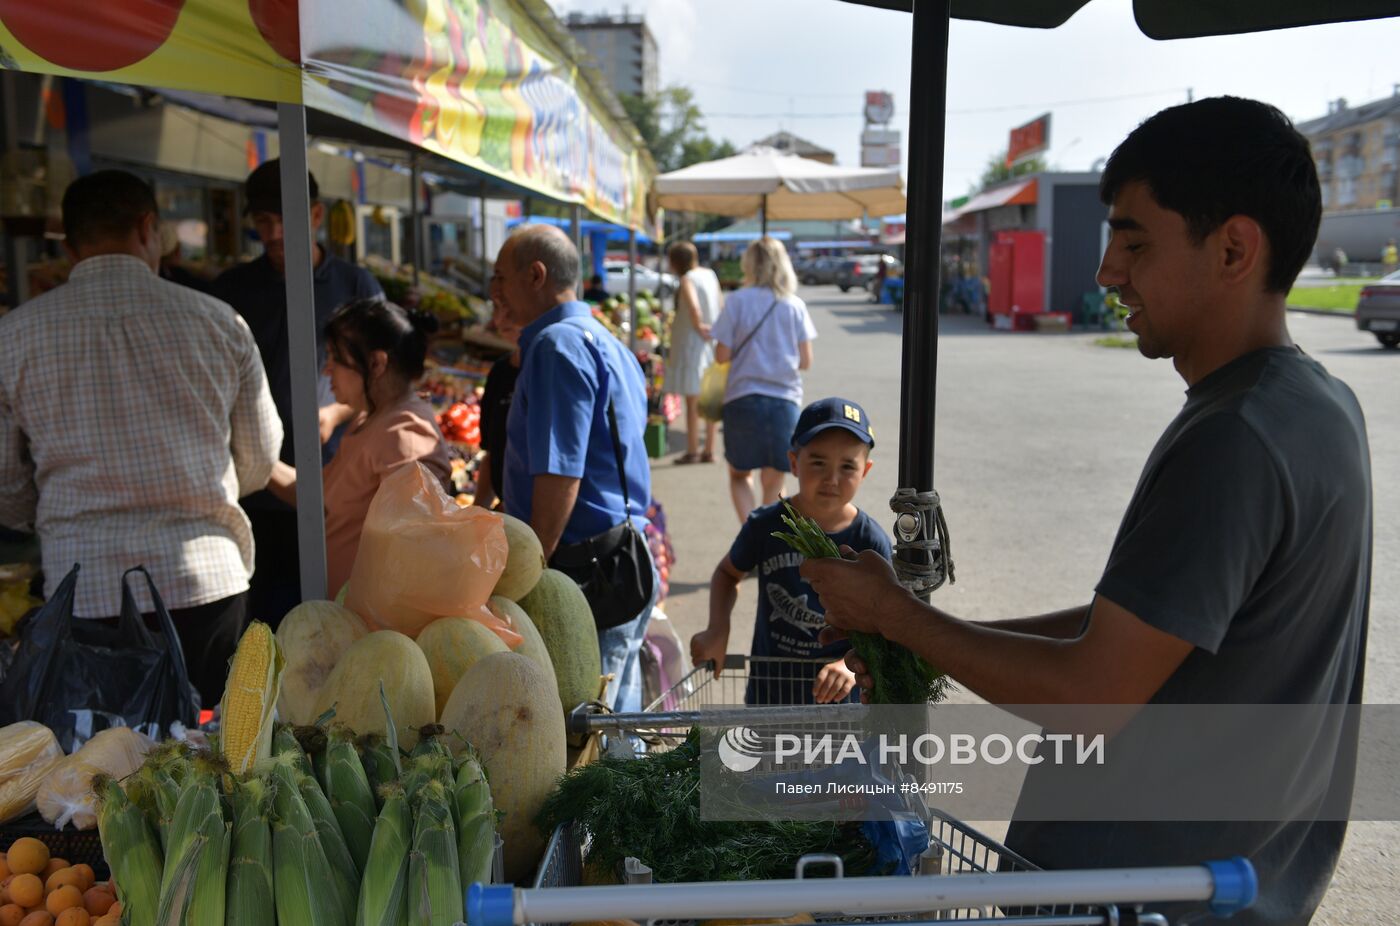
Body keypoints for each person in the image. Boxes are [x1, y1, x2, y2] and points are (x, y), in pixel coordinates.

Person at [801, 97, 1371, 925]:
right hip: (1219, 885)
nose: (1107, 272)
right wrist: (913, 634)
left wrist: (901, 618)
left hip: (1145, 900)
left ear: (1234, 248)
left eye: (1135, 244)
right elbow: (1138, 627)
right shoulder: (1316, 404)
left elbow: (1092, 693)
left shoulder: (1235, 438)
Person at [0, 170, 282, 705]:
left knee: (102, 753)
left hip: (85, 590)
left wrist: (59, 514)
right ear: (148, 227)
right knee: (212, 748)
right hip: (205, 581)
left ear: (69, 244)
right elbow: (261, 458)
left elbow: (6, 484)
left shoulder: (13, 336)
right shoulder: (221, 322)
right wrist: (206, 489)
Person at [209, 160, 382, 623]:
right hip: (251, 492)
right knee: (261, 624)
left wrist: (335, 414)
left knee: (330, 617)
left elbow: (382, 380)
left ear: (316, 215)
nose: (275, 233)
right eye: (264, 221)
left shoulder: (355, 286)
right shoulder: (232, 290)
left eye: (286, 219)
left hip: (335, 489)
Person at [492, 225, 656, 713]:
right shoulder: (604, 340)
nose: (495, 291)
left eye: (500, 277)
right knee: (617, 721)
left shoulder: (555, 346)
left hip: (587, 574)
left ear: (535, 275)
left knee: (593, 729)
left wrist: (531, 569)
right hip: (619, 559)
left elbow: (561, 473)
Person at [691, 397, 890, 705]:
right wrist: (718, 628)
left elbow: (887, 621)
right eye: (818, 462)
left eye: (848, 466)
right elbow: (728, 573)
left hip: (841, 708)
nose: (832, 479)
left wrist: (851, 666)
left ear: (865, 471)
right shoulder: (764, 525)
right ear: (794, 462)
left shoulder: (870, 542)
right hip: (769, 698)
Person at [266, 298, 452, 595]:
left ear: (377, 364)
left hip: (366, 619)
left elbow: (416, 554)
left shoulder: (405, 437)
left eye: (335, 358)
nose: (327, 371)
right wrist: (258, 460)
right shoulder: (371, 417)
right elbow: (319, 495)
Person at [711, 237, 818, 523]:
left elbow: (721, 355)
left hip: (742, 398)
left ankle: (749, 535)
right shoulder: (794, 305)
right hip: (784, 401)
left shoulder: (736, 301)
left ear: (748, 264)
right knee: (774, 481)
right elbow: (806, 361)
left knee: (739, 475)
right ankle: (765, 539)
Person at [662, 240, 721, 464]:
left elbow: (694, 306)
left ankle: (693, 449)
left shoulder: (687, 279)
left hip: (692, 342)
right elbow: (720, 304)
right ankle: (709, 449)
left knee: (693, 401)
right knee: (711, 398)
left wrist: (699, 326)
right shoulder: (710, 275)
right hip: (711, 341)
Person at [473, 302, 523, 511]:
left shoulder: (548, 372)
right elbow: (492, 453)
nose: (501, 317)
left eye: (510, 305)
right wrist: (477, 513)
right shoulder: (500, 370)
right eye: (497, 307)